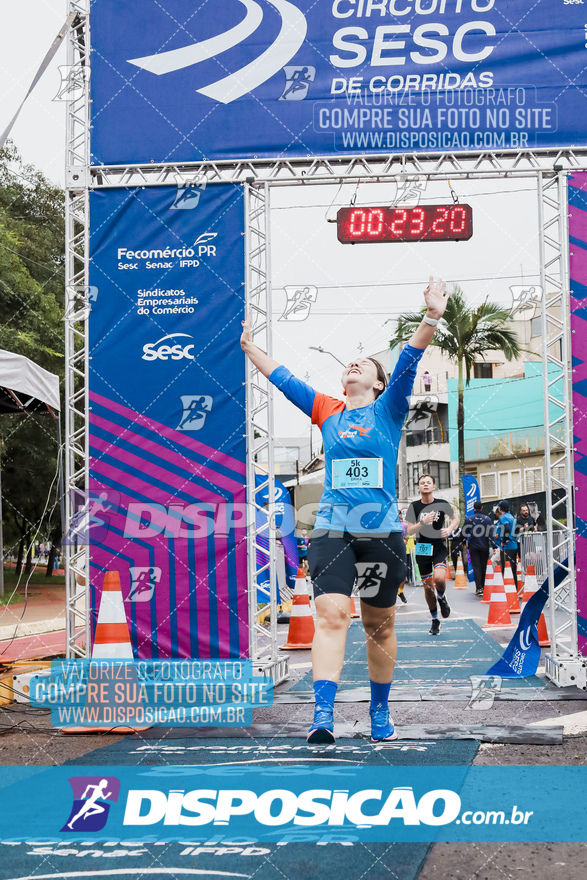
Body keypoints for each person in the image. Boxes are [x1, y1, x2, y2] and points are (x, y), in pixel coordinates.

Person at [240, 276, 449, 744]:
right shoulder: (326, 409)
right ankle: (322, 715)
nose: (354, 364)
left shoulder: (390, 408)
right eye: (350, 362)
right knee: (332, 615)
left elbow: (411, 358)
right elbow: (285, 379)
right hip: (333, 528)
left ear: (378, 383)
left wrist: (432, 316)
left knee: (377, 623)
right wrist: (250, 349)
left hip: (381, 532)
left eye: (366, 364)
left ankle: (379, 712)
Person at [406, 474, 459, 635]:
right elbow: (409, 530)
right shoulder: (413, 506)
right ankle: (435, 620)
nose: (426, 485)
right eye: (422, 483)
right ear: (419, 488)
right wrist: (423, 521)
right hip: (422, 548)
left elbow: (456, 518)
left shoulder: (442, 504)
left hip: (438, 546)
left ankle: (442, 597)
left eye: (429, 482)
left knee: (440, 579)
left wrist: (449, 530)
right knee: (428, 588)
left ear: (433, 487)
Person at [463, 500, 495, 596]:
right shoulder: (487, 519)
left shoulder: (469, 519)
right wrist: (494, 546)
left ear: (473, 508)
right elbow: (491, 534)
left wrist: (464, 542)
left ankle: (479, 588)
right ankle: (485, 586)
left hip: (473, 546)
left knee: (476, 566)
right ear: (482, 508)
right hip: (484, 546)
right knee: (484, 565)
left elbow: (464, 532)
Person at [495, 500, 518, 591]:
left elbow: (507, 528)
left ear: (500, 508)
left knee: (506, 568)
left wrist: (504, 540)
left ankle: (508, 589)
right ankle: (514, 588)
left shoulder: (503, 517)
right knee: (512, 569)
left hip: (507, 547)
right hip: (513, 545)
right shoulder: (511, 517)